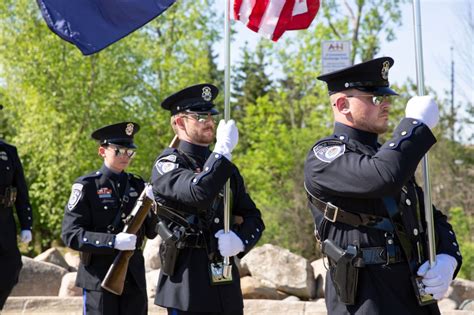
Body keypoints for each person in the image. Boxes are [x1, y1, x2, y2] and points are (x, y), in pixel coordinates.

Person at [304, 57, 462, 315]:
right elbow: (381, 177)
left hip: (413, 293)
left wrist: (448, 258)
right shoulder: (325, 157)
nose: (386, 104)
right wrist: (414, 127)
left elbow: (430, 218)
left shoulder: (388, 156)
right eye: (375, 99)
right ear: (343, 104)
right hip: (366, 299)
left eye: (387, 97)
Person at [150, 83, 265, 315]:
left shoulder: (226, 169)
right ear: (179, 122)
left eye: (212, 115)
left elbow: (254, 218)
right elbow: (198, 193)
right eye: (200, 116)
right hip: (188, 284)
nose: (210, 121)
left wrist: (240, 241)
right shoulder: (168, 164)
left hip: (224, 285)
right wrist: (222, 150)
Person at [62, 122, 157, 315]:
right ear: (102, 151)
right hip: (100, 276)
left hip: (133, 276)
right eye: (119, 151)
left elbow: (151, 232)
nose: (125, 156)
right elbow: (71, 235)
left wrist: (155, 206)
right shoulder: (87, 186)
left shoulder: (138, 185)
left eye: (129, 152)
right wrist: (112, 241)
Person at [0, 104, 33, 310]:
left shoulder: (8, 151)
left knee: (12, 267)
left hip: (4, 219)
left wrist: (26, 224)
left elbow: (20, 189)